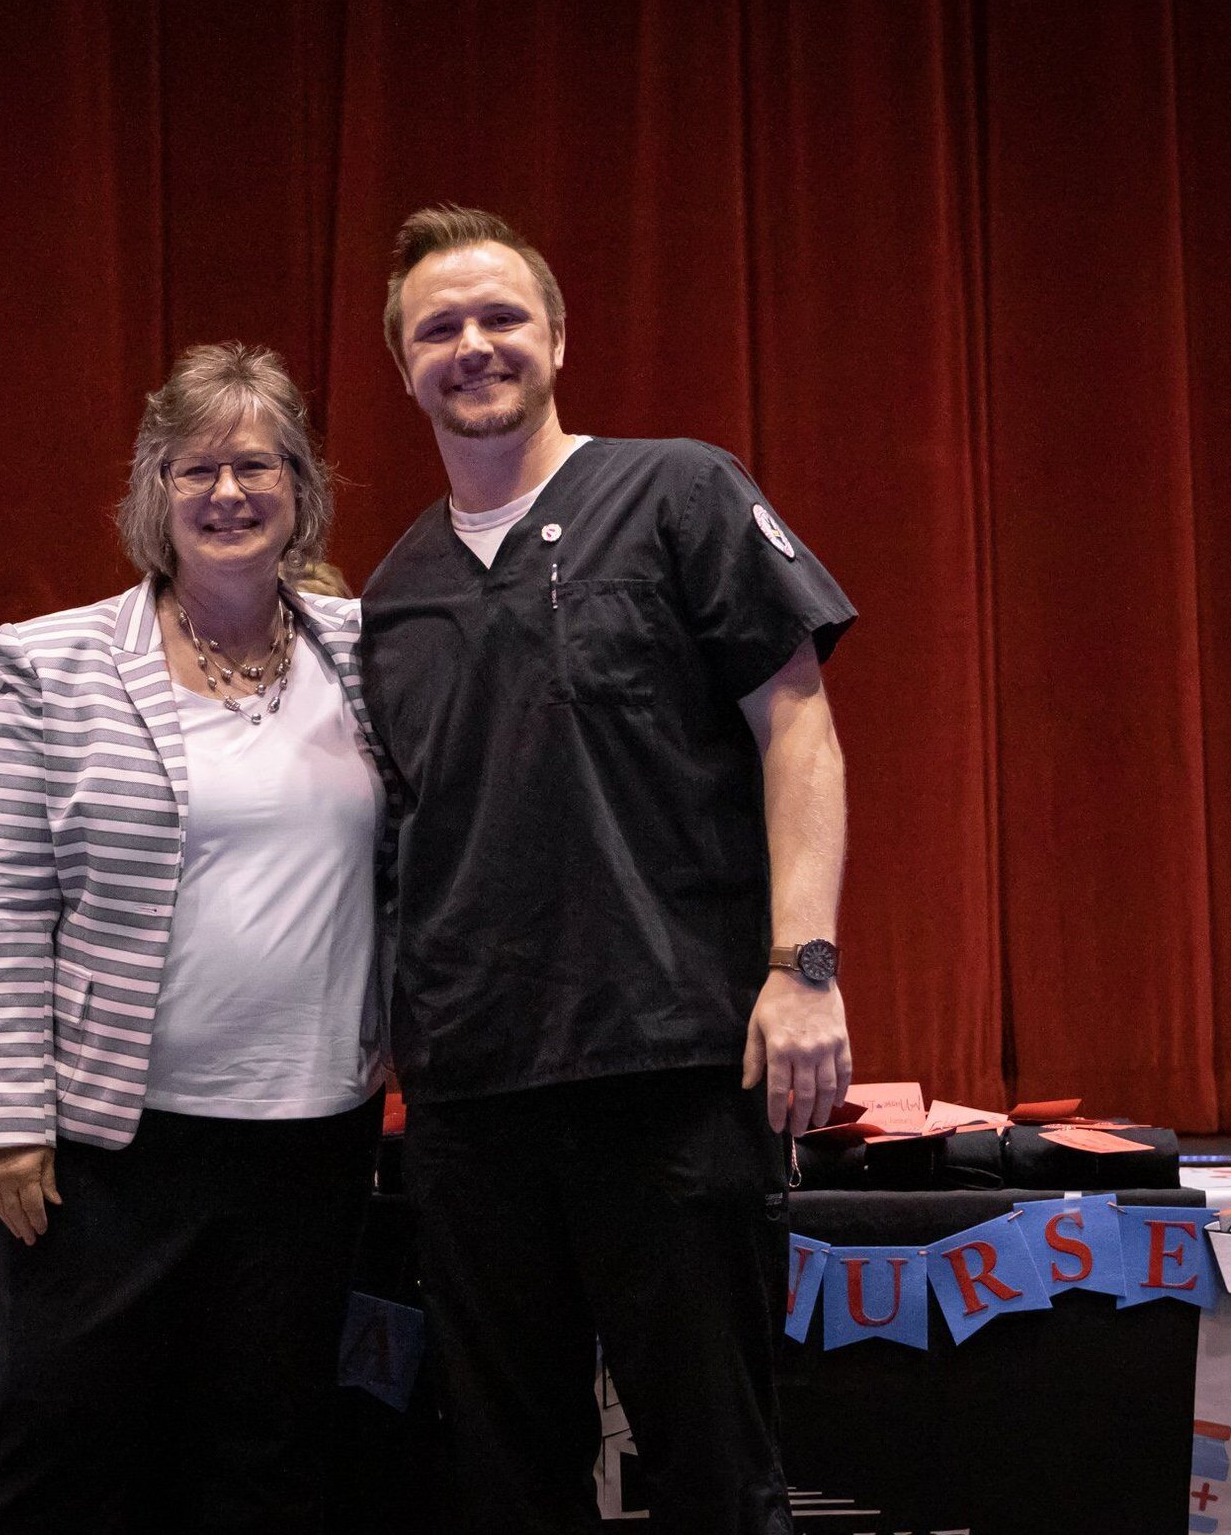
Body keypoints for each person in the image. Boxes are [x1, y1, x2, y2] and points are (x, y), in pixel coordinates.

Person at [357, 205, 858, 1534]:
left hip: (672, 1073)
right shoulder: (391, 592)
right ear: (403, 363)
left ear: (560, 337)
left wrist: (802, 968)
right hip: (469, 1103)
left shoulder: (679, 489)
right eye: (439, 328)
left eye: (501, 316)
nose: (474, 345)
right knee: (506, 1476)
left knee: (712, 1468)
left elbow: (797, 725)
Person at [0, 343, 388, 1534]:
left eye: (256, 464)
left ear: (302, 487)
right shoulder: (55, 659)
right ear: (151, 490)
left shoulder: (370, 652)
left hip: (311, 1141)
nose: (226, 492)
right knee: (55, 1456)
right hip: (107, 1146)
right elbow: (4, 902)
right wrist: (3, 1118)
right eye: (193, 467)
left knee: (265, 1458)